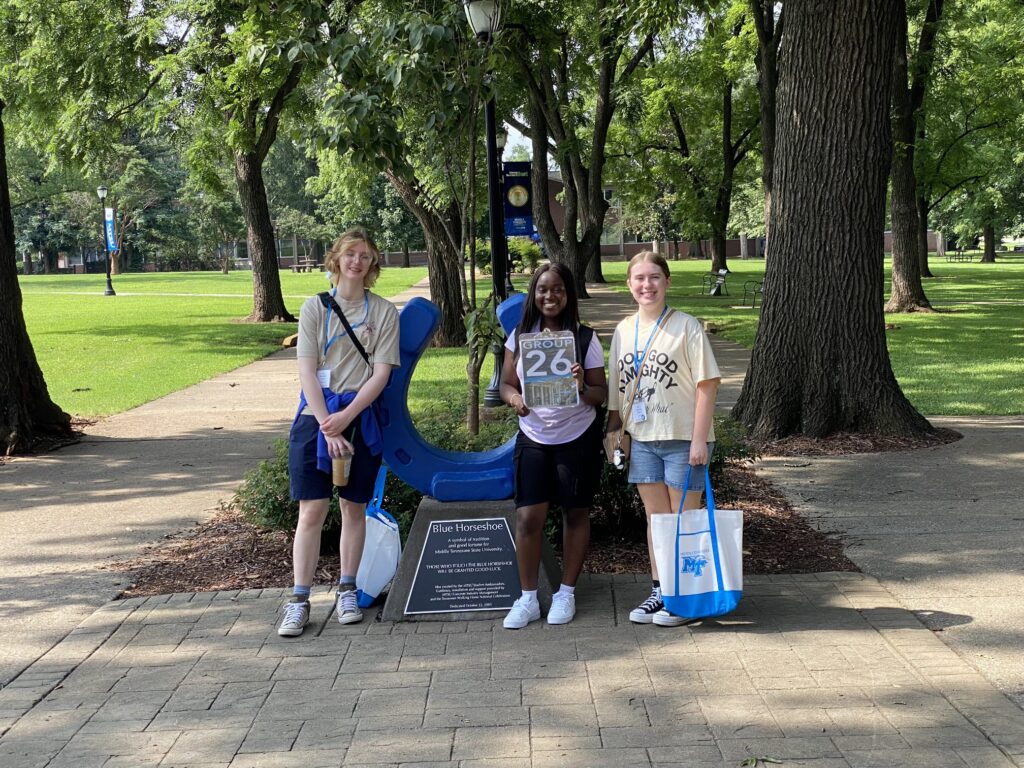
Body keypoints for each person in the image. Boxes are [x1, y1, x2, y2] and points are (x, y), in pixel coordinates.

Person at [277, 228, 400, 637]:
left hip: (358, 417)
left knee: (354, 508)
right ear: (337, 259)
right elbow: (306, 371)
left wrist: (347, 416)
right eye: (351, 254)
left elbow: (380, 374)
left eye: (365, 256)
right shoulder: (315, 308)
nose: (357, 262)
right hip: (316, 418)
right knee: (311, 511)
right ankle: (299, 599)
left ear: (373, 264)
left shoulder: (383, 312)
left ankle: (347, 589)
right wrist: (328, 426)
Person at [606, 251, 721, 627]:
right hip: (642, 439)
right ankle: (661, 590)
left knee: (683, 521)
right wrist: (615, 435)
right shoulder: (624, 330)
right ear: (629, 284)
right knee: (657, 521)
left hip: (683, 438)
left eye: (654, 277)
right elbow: (616, 390)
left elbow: (707, 385)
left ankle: (685, 598)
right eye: (639, 278)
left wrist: (699, 441)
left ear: (667, 281)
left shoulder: (686, 326)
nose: (647, 285)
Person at [499, 263, 607, 629]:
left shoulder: (585, 338)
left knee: (575, 513)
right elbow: (506, 385)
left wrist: (580, 387)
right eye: (543, 289)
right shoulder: (519, 336)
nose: (550, 296)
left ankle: (566, 592)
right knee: (528, 518)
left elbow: (600, 394)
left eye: (557, 289)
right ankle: (528, 598)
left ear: (568, 294)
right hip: (534, 437)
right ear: (534, 294)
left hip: (577, 437)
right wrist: (515, 400)